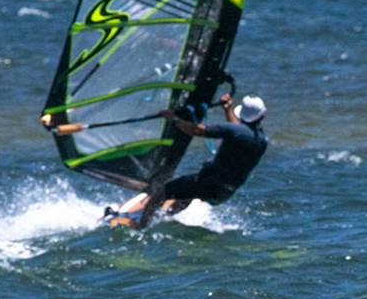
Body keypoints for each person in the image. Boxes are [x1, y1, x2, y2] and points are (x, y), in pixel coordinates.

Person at [105, 92, 268, 228]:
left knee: (160, 193)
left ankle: (141, 225)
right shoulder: (262, 140)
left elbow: (196, 130)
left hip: (207, 182)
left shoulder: (235, 131)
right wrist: (228, 109)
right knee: (188, 194)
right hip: (225, 192)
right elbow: (238, 131)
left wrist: (173, 119)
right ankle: (167, 215)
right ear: (262, 115)